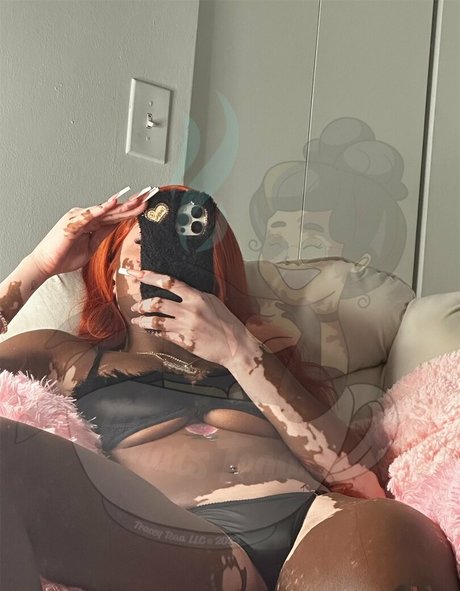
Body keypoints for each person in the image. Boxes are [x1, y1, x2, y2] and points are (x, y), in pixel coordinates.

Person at [0, 185, 458, 591]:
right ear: (111, 268)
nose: (166, 266)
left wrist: (239, 350)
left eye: (190, 252)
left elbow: (361, 480)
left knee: (395, 536)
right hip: (178, 539)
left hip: (313, 521)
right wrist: (38, 266)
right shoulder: (68, 355)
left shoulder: (260, 353)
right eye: (147, 245)